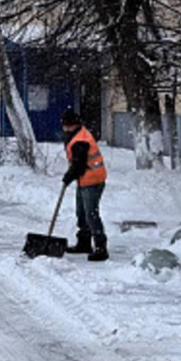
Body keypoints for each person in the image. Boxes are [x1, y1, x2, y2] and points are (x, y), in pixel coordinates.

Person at [60, 109, 109, 261]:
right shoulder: (77, 134)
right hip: (85, 179)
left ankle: (101, 248)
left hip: (93, 180)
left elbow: (78, 165)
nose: (65, 128)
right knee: (81, 213)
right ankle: (84, 243)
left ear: (73, 125)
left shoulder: (80, 141)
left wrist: (68, 177)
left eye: (67, 125)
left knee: (91, 214)